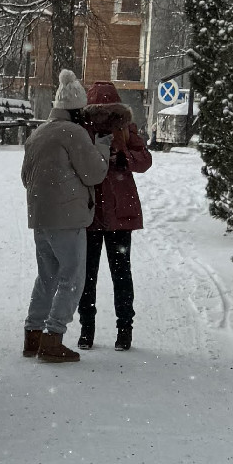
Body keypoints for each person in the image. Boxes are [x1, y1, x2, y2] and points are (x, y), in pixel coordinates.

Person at [20, 69, 111, 365]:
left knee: (47, 276)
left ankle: (33, 334)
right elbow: (95, 172)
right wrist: (103, 147)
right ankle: (53, 338)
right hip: (68, 217)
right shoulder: (74, 133)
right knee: (72, 278)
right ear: (77, 110)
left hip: (40, 216)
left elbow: (25, 177)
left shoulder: (39, 133)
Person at [78, 79, 152, 351]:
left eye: (108, 111)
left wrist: (125, 160)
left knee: (120, 274)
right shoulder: (82, 132)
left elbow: (145, 160)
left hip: (120, 214)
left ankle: (124, 330)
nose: (103, 117)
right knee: (87, 276)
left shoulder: (126, 130)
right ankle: (87, 329)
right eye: (98, 111)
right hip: (91, 214)